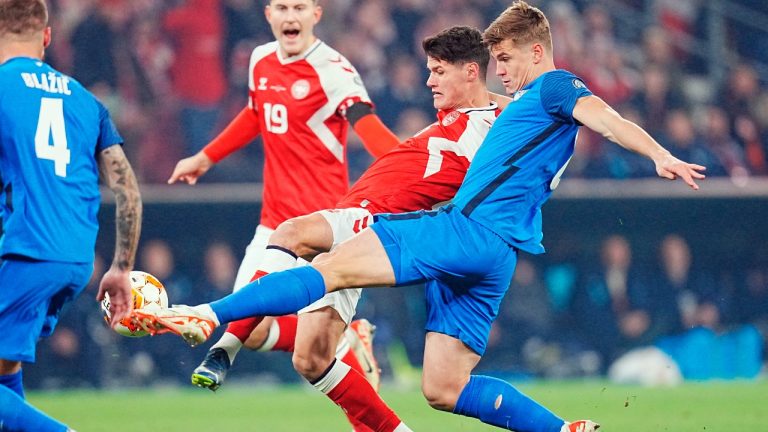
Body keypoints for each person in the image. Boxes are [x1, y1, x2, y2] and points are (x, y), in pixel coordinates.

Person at [137, 2, 706, 431]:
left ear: (536, 52)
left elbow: (603, 116)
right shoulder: (516, 116)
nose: (501, 70)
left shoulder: (551, 87)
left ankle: (207, 317)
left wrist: (658, 154)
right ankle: (561, 430)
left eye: (506, 59)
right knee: (443, 387)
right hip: (497, 256)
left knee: (325, 264)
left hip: (463, 230)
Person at [193, 25, 505, 432]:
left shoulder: (494, 129)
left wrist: (554, 103)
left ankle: (213, 332)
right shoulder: (460, 114)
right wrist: (205, 156)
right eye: (430, 70)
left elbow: (527, 115)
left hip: (363, 217)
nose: (429, 81)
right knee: (310, 358)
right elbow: (255, 114)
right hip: (341, 212)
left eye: (438, 71)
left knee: (291, 234)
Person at [168, 0, 399, 430]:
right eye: (282, 7)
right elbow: (255, 114)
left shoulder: (334, 70)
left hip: (326, 230)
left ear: (316, 13)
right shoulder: (260, 59)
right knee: (256, 331)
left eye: (299, 7)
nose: (290, 16)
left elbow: (368, 128)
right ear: (268, 14)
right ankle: (348, 339)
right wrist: (205, 156)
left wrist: (414, 167)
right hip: (275, 224)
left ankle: (223, 352)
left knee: (311, 356)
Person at [0, 1, 143, 430]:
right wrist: (121, 268)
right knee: (5, 371)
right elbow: (127, 189)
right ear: (47, 37)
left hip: (26, 249)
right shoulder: (85, 100)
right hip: (77, 258)